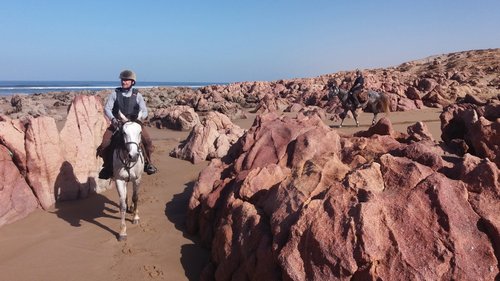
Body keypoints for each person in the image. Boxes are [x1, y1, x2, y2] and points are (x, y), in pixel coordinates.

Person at [96, 69, 157, 179]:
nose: (124, 82)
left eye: (127, 80)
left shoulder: (137, 95)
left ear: (132, 82)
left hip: (134, 123)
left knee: (147, 141)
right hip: (118, 123)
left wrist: (140, 118)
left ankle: (148, 164)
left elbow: (144, 110)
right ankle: (107, 167)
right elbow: (107, 109)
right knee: (105, 144)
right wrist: (114, 120)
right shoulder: (115, 94)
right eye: (123, 80)